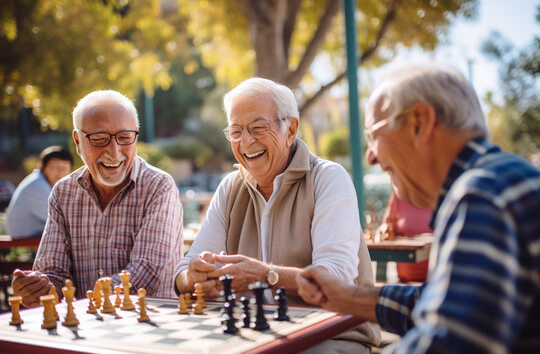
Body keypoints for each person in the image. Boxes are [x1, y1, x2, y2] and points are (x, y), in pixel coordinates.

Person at [296, 63, 540, 353]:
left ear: (420, 122)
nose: (370, 156)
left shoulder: (480, 195)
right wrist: (349, 298)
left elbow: (448, 344)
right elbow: (441, 304)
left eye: (373, 136)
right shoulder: (500, 178)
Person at [174, 78, 380, 352]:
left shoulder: (328, 178)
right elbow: (182, 272)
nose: (246, 141)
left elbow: (336, 279)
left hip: (333, 336)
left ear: (291, 129)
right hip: (254, 337)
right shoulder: (230, 187)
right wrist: (193, 278)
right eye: (236, 131)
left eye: (258, 127)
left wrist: (267, 275)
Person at [12, 90, 184, 307]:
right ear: (77, 141)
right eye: (99, 139)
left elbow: (145, 275)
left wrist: (90, 299)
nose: (113, 152)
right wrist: (39, 287)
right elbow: (53, 274)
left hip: (148, 328)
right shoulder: (63, 193)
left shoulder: (158, 187)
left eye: (124, 137)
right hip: (85, 330)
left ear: (136, 136)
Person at [6, 146, 73, 239]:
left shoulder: (45, 183)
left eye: (64, 168)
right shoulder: (36, 185)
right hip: (24, 239)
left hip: (35, 235)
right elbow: (63, 219)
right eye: (55, 167)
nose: (60, 172)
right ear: (42, 167)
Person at [379, 191, 433, 282]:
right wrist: (384, 230)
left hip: (438, 280)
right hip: (405, 281)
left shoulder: (441, 192)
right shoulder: (398, 195)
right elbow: (386, 224)